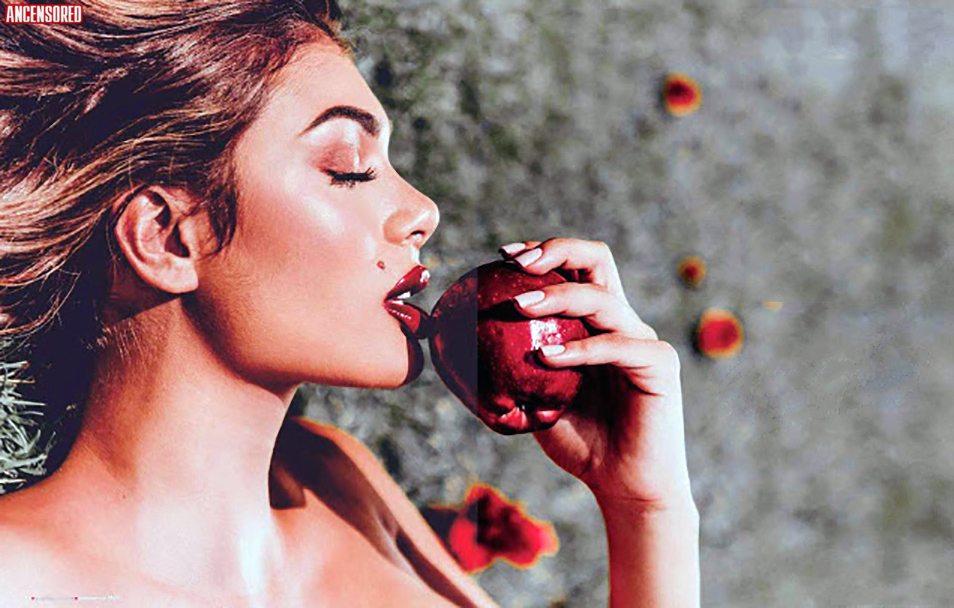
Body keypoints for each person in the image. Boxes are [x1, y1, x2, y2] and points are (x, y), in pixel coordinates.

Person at [0, 1, 700, 606]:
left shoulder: (338, 481)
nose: (422, 211)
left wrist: (645, 507)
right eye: (349, 168)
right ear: (167, 237)